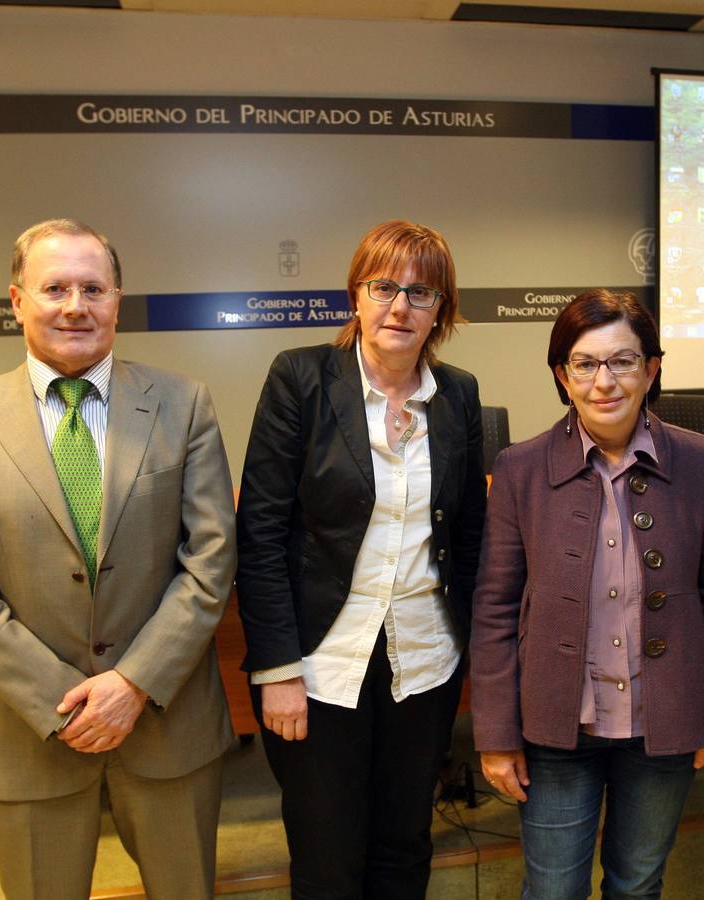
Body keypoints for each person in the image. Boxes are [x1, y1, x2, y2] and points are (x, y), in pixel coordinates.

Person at [0, 219, 236, 900]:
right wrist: (61, 704)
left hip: (166, 725)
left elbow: (211, 557)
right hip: (30, 737)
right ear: (16, 301)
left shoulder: (184, 407)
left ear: (117, 300)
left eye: (93, 288)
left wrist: (134, 684)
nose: (75, 305)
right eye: (54, 287)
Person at [471, 289, 704, 899]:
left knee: (636, 885)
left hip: (663, 721)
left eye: (623, 361)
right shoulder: (519, 468)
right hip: (556, 729)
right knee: (552, 890)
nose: (604, 381)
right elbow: (495, 608)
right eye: (584, 363)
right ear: (561, 374)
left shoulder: (702, 461)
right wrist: (496, 735)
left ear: (651, 368)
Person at [235, 220, 487, 898]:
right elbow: (260, 534)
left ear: (442, 311)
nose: (400, 307)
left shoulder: (457, 394)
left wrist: (480, 661)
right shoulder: (302, 378)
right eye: (384, 287)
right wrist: (277, 670)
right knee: (327, 856)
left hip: (424, 662)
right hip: (320, 665)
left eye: (422, 292)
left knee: (405, 844)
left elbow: (469, 540)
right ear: (356, 296)